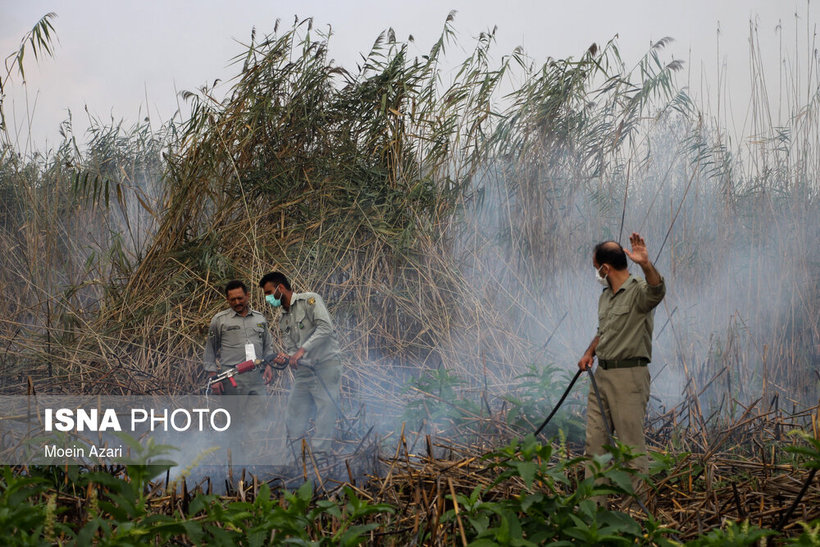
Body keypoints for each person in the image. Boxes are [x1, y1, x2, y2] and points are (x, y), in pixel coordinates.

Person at [577, 233, 665, 500]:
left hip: (629, 378)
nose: (596, 273)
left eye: (596, 268)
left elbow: (657, 290)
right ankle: (594, 512)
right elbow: (604, 330)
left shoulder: (638, 290)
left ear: (606, 267)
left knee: (630, 449)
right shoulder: (606, 297)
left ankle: (637, 515)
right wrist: (590, 352)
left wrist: (646, 264)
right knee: (595, 445)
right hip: (602, 375)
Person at [259, 271, 342, 454]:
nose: (267, 298)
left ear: (280, 288)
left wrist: (301, 350)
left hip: (326, 365)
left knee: (325, 414)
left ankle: (321, 458)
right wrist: (287, 358)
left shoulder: (310, 300)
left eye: (268, 292)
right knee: (293, 414)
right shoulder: (283, 319)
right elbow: (291, 349)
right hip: (305, 371)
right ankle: (293, 460)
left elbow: (325, 328)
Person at [203, 280, 274, 452]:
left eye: (240, 298)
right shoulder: (220, 320)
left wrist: (269, 365)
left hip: (256, 378)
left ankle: (253, 462)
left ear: (247, 296)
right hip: (232, 378)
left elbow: (267, 345)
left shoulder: (259, 318)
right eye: (232, 299)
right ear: (227, 300)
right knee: (233, 422)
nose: (237, 302)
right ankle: (233, 461)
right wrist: (213, 377)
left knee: (256, 422)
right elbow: (210, 349)